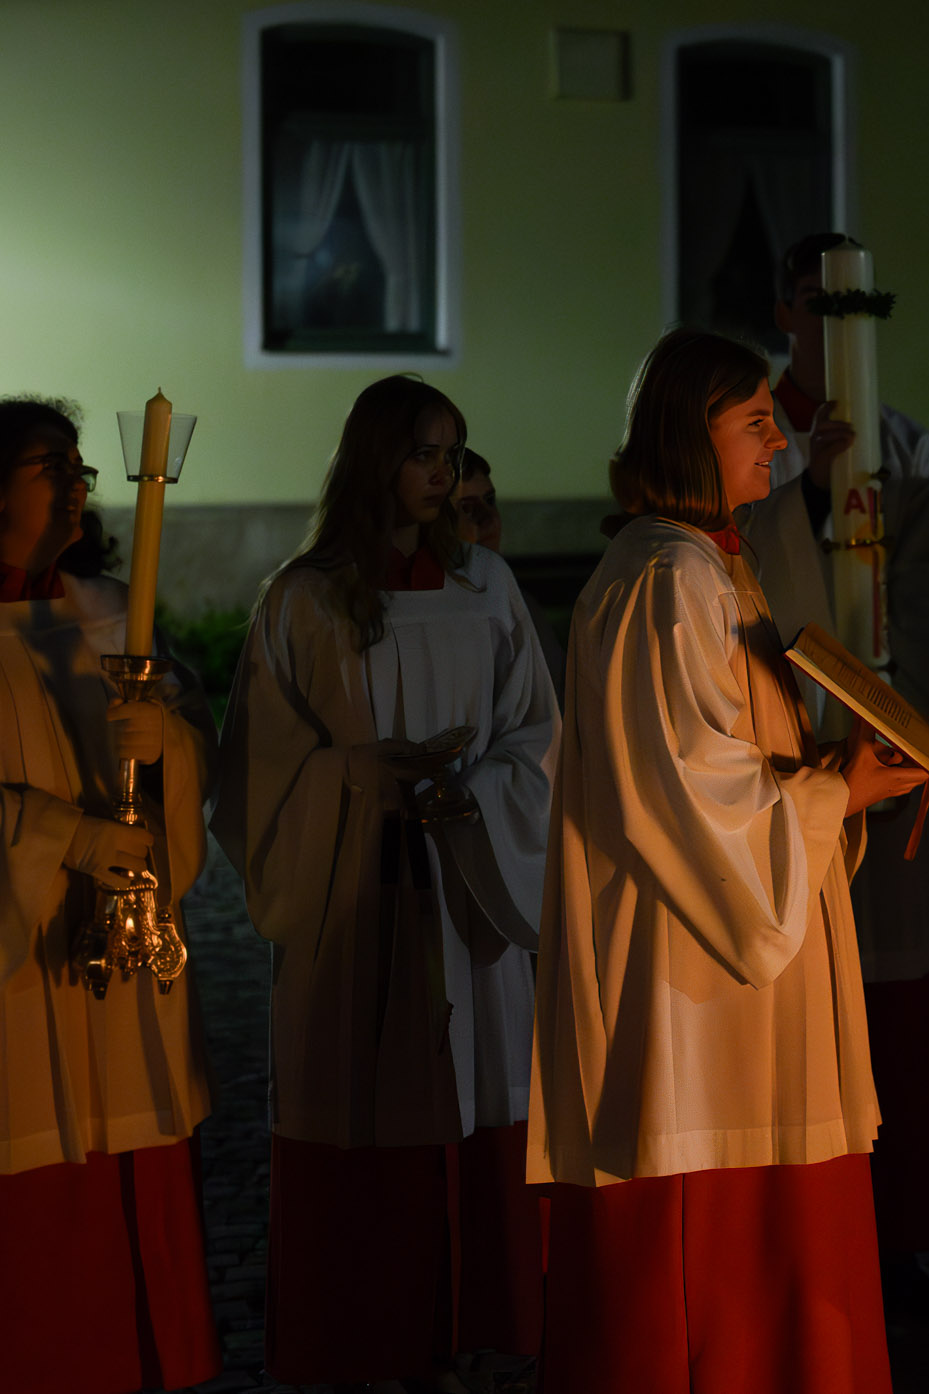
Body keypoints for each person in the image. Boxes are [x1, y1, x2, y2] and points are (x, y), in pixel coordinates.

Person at [528, 327, 928, 1393]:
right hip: (695, 988)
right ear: (686, 432)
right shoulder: (670, 578)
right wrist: (838, 788)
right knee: (712, 1276)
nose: (779, 438)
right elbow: (687, 793)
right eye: (754, 421)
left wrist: (842, 771)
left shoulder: (705, 567)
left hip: (738, 967)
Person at [213, 376, 558, 1391]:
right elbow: (257, 772)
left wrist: (476, 792)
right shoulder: (305, 598)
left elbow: (538, 737)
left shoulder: (486, 588)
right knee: (365, 1100)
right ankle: (362, 1335)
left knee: (475, 1090)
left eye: (453, 452)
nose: (443, 473)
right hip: (351, 895)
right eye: (423, 451)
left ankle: (474, 1323)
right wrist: (355, 778)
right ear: (373, 460)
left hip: (465, 889)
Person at [740, 231, 929, 1320]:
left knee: (905, 1028)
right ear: (784, 312)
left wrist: (917, 726)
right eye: (812, 304)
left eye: (853, 309)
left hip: (883, 748)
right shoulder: (750, 437)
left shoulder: (908, 444)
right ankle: (812, 1247)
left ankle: (903, 1249)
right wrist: (806, 483)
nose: (832, 330)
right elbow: (742, 573)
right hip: (795, 759)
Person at [0, 397, 221, 1394]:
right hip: (20, 961)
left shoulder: (105, 612)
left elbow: (180, 777)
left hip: (113, 964)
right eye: (52, 463)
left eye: (82, 464)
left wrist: (166, 743)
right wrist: (66, 836)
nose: (82, 481)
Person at [453, 448, 566, 699]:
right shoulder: (435, 618)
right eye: (467, 508)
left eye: (490, 501)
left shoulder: (519, 605)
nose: (489, 519)